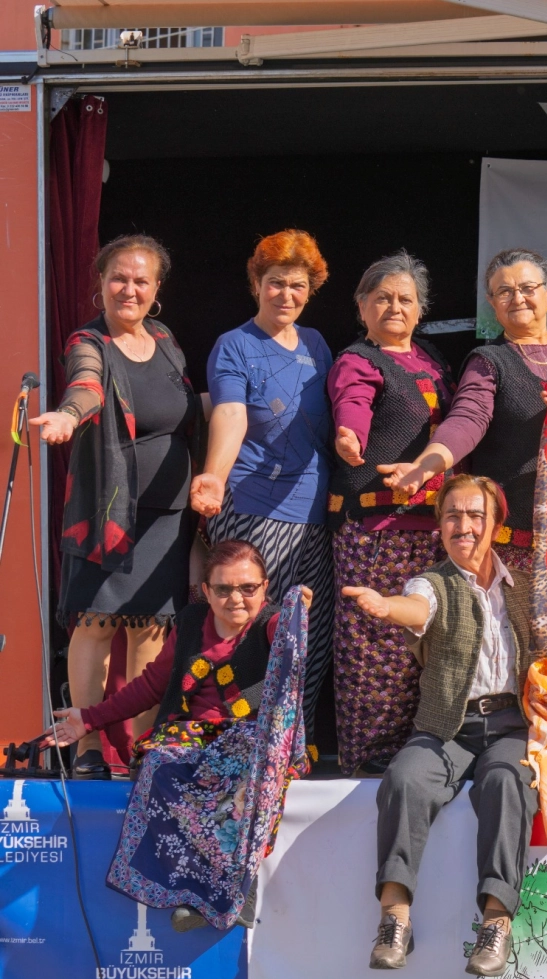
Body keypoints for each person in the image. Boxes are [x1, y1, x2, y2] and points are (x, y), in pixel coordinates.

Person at [41, 540, 312, 930]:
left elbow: (293, 641)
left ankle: (233, 891)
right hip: (188, 734)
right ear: (206, 590)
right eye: (223, 589)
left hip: (248, 737)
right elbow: (151, 685)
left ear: (265, 587)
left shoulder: (273, 624)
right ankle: (196, 893)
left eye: (248, 588)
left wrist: (297, 612)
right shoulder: (189, 623)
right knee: (160, 768)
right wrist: (89, 718)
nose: (236, 598)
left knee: (248, 773)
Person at [342, 475, 539, 977]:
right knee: (406, 778)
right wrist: (386, 607)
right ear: (439, 525)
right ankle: (395, 917)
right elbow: (417, 608)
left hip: (512, 725)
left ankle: (495, 923)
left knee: (506, 781)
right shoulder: (432, 582)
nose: (464, 526)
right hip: (447, 727)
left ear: (496, 524)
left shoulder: (523, 587)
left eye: (476, 515)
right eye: (453, 515)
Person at [34, 235, 202, 780]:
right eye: (119, 278)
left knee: (151, 630)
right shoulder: (90, 341)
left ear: (157, 291)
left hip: (167, 516)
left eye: (141, 280)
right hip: (107, 512)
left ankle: (137, 754)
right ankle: (85, 751)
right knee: (97, 623)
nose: (129, 289)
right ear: (100, 283)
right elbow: (86, 386)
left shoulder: (166, 339)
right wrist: (66, 415)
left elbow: (181, 409)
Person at [191, 229, 336, 706]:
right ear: (256, 282)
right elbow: (229, 413)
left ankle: (295, 742)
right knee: (247, 628)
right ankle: (239, 738)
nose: (286, 295)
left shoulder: (317, 345)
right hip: (251, 509)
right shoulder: (234, 345)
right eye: (276, 282)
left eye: (297, 285)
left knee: (306, 636)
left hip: (312, 515)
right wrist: (213, 475)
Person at [374, 248, 547, 574]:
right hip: (516, 539)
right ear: (492, 302)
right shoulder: (488, 362)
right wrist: (425, 466)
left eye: (527, 288)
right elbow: (466, 421)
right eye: (505, 291)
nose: (517, 298)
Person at [326, 251, 454, 776]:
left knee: (421, 649)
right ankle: (368, 766)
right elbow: (352, 402)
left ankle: (415, 764)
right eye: (382, 298)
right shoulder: (357, 359)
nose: (394, 307)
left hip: (432, 531)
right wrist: (348, 434)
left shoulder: (430, 360)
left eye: (405, 299)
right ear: (362, 307)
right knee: (374, 651)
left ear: (421, 310)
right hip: (376, 532)